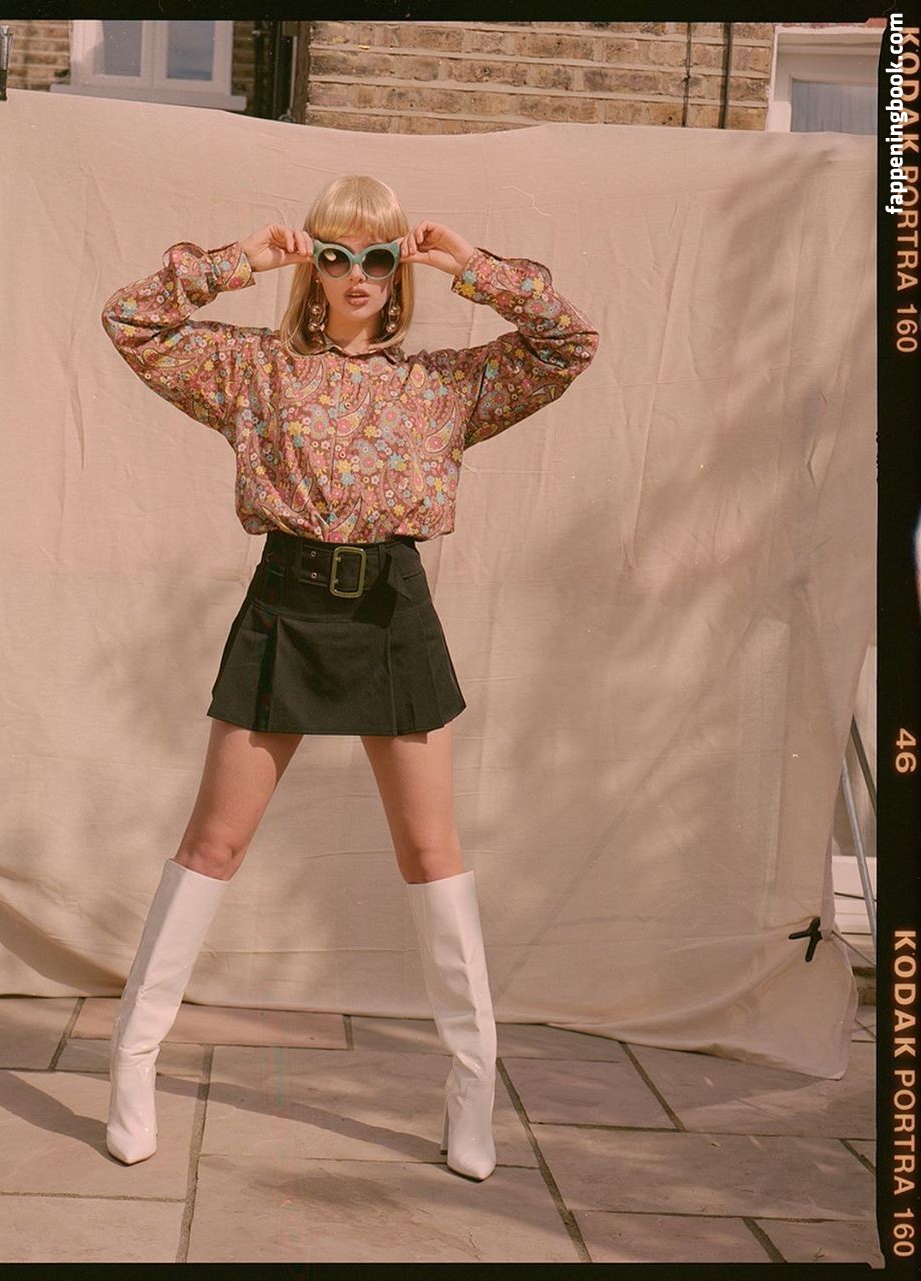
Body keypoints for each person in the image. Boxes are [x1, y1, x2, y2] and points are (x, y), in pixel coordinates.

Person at [99, 174, 599, 1181]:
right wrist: (239, 261)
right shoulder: (252, 370)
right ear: (315, 266)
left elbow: (568, 343)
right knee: (213, 843)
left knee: (431, 850)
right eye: (336, 253)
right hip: (285, 606)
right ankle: (133, 1067)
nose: (357, 274)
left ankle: (471, 1091)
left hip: (392, 612)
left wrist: (473, 266)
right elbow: (131, 321)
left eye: (377, 255)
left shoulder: (445, 386)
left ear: (397, 270)